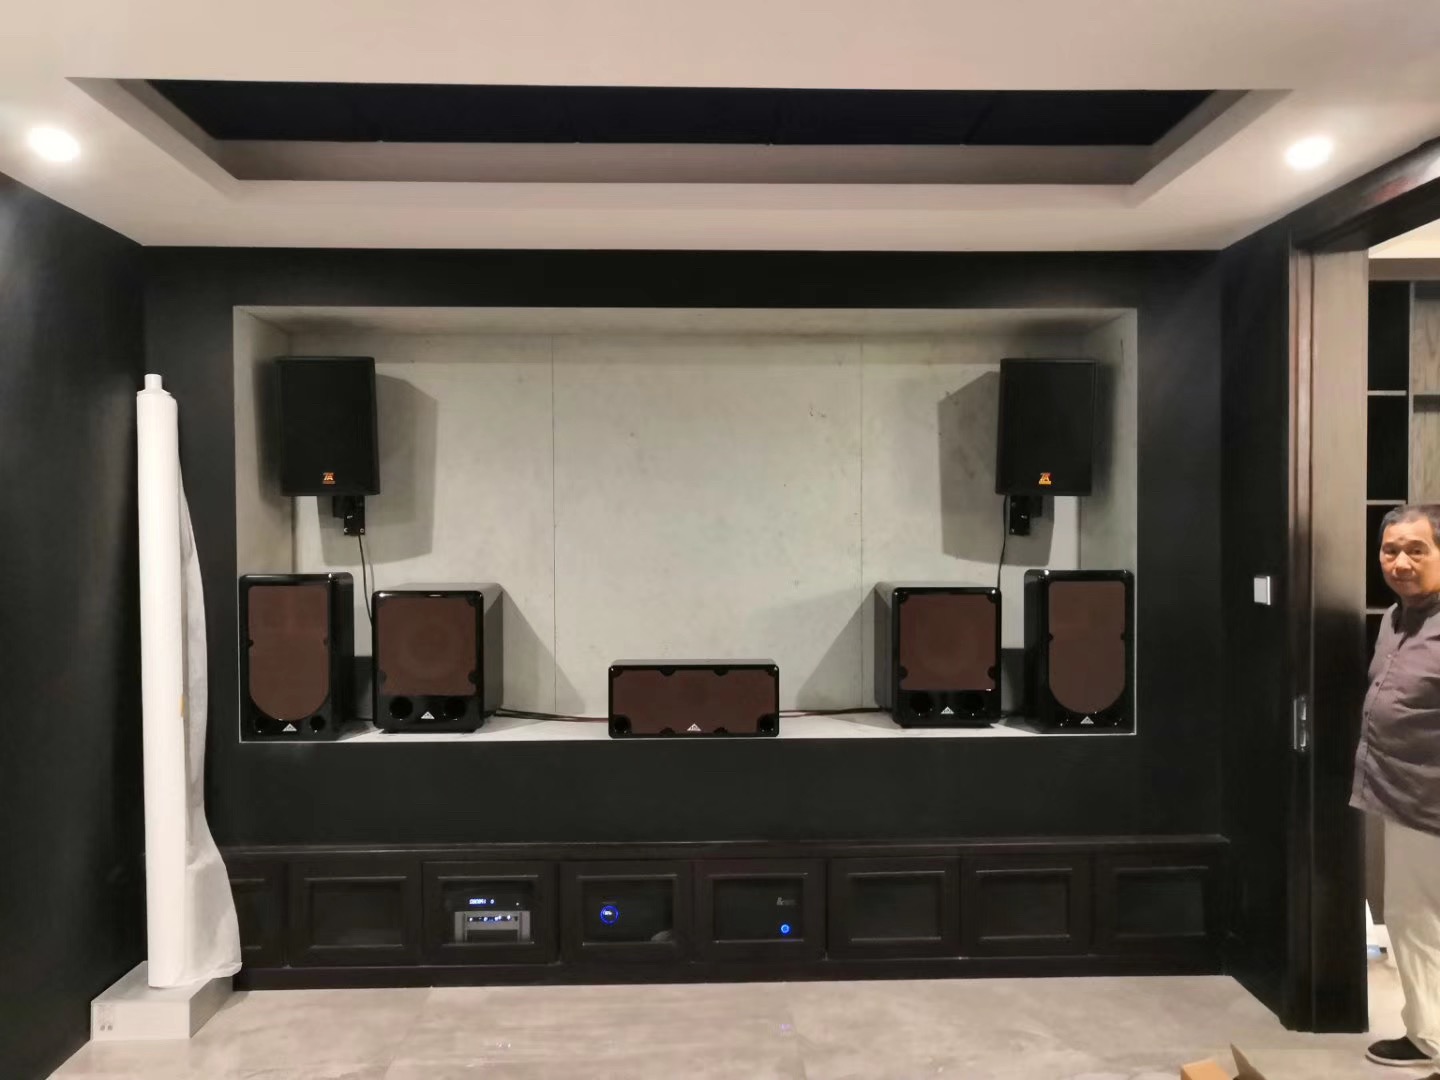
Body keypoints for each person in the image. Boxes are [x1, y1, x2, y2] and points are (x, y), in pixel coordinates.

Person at [1355, 504, 1440, 1069]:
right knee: (1411, 920)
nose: (1401, 562)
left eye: (1417, 550)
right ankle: (1425, 1033)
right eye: (1390, 550)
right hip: (1401, 795)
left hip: (1433, 798)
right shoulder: (1394, 619)